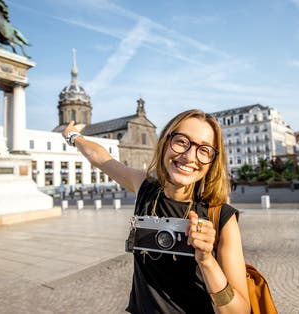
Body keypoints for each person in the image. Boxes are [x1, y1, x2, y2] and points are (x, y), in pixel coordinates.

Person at [62, 109, 250, 313]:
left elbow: (239, 311)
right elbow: (100, 158)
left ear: (212, 161)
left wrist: (207, 261)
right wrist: (73, 136)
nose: (189, 157)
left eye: (204, 150)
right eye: (181, 141)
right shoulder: (145, 187)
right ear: (164, 143)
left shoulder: (221, 217)